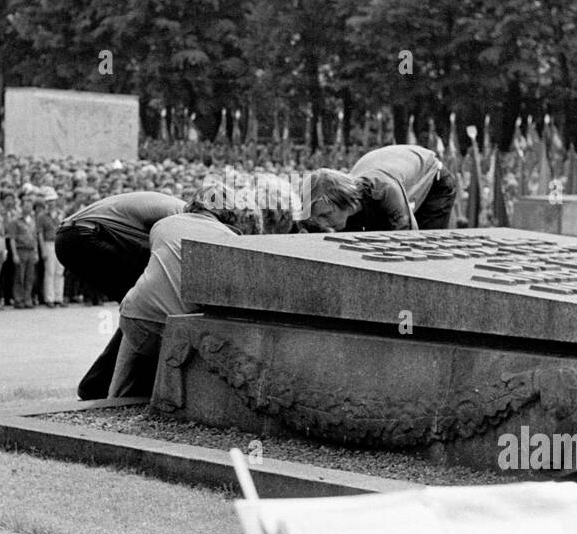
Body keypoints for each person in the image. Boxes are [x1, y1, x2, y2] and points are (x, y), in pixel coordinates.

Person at [108, 181, 262, 399]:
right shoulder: (230, 239)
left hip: (133, 317)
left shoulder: (163, 225)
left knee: (139, 313)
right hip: (175, 329)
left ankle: (112, 399)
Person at [57, 191, 186, 398]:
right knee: (145, 307)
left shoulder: (176, 208)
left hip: (71, 236)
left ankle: (98, 384)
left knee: (141, 308)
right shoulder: (181, 216)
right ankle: (100, 384)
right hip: (86, 236)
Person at [297, 143, 455, 232]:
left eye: (326, 215)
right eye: (318, 218)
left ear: (343, 199)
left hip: (434, 179)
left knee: (423, 248)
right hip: (390, 166)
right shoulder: (346, 205)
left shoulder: (383, 189)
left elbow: (407, 235)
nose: (324, 224)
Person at [8, 198, 38, 309]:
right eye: (26, 206)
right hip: (21, 250)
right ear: (21, 207)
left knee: (30, 277)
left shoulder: (33, 220)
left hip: (31, 250)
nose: (28, 209)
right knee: (19, 276)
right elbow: (12, 239)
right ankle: (18, 299)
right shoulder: (16, 221)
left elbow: (34, 237)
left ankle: (27, 298)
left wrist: (36, 253)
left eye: (30, 206)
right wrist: (14, 254)